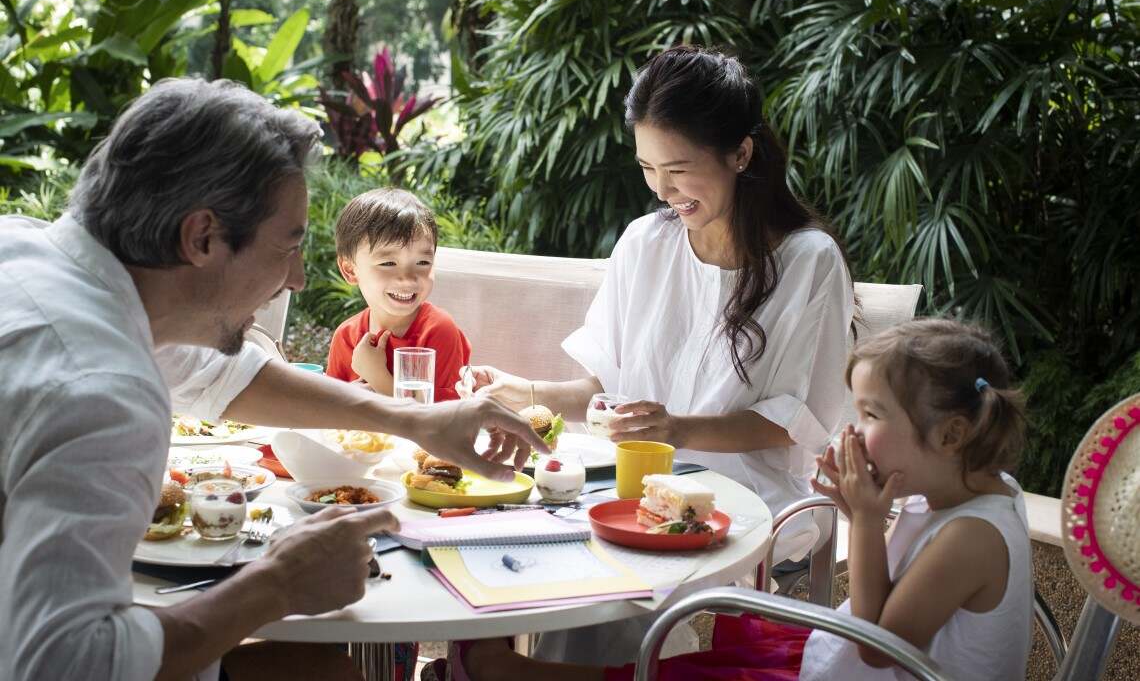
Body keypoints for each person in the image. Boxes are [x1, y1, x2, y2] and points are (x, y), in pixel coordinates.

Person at [0, 78, 545, 681]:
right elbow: (64, 663)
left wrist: (416, 419)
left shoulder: (25, 251)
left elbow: (220, 376)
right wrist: (277, 584)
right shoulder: (101, 391)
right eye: (287, 247)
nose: (297, 279)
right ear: (202, 237)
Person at [461, 45, 855, 662]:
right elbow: (605, 394)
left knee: (611, 590)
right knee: (543, 556)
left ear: (740, 154)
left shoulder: (807, 261)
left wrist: (677, 429)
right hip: (628, 492)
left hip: (746, 505)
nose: (662, 189)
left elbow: (792, 423)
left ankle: (509, 671)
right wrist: (525, 392)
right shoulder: (645, 243)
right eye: (647, 167)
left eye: (678, 168)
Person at [454, 318, 1034, 681]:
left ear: (951, 436)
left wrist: (863, 520)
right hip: (854, 660)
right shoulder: (966, 491)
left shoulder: (971, 537)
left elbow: (882, 646)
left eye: (872, 416)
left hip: (870, 663)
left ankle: (504, 671)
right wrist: (861, 509)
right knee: (712, 665)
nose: (853, 431)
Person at [325, 188, 471, 400]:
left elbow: (440, 417)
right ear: (350, 270)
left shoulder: (438, 330)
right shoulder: (346, 336)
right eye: (388, 263)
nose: (408, 278)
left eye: (423, 262)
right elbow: (330, 411)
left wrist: (377, 376)